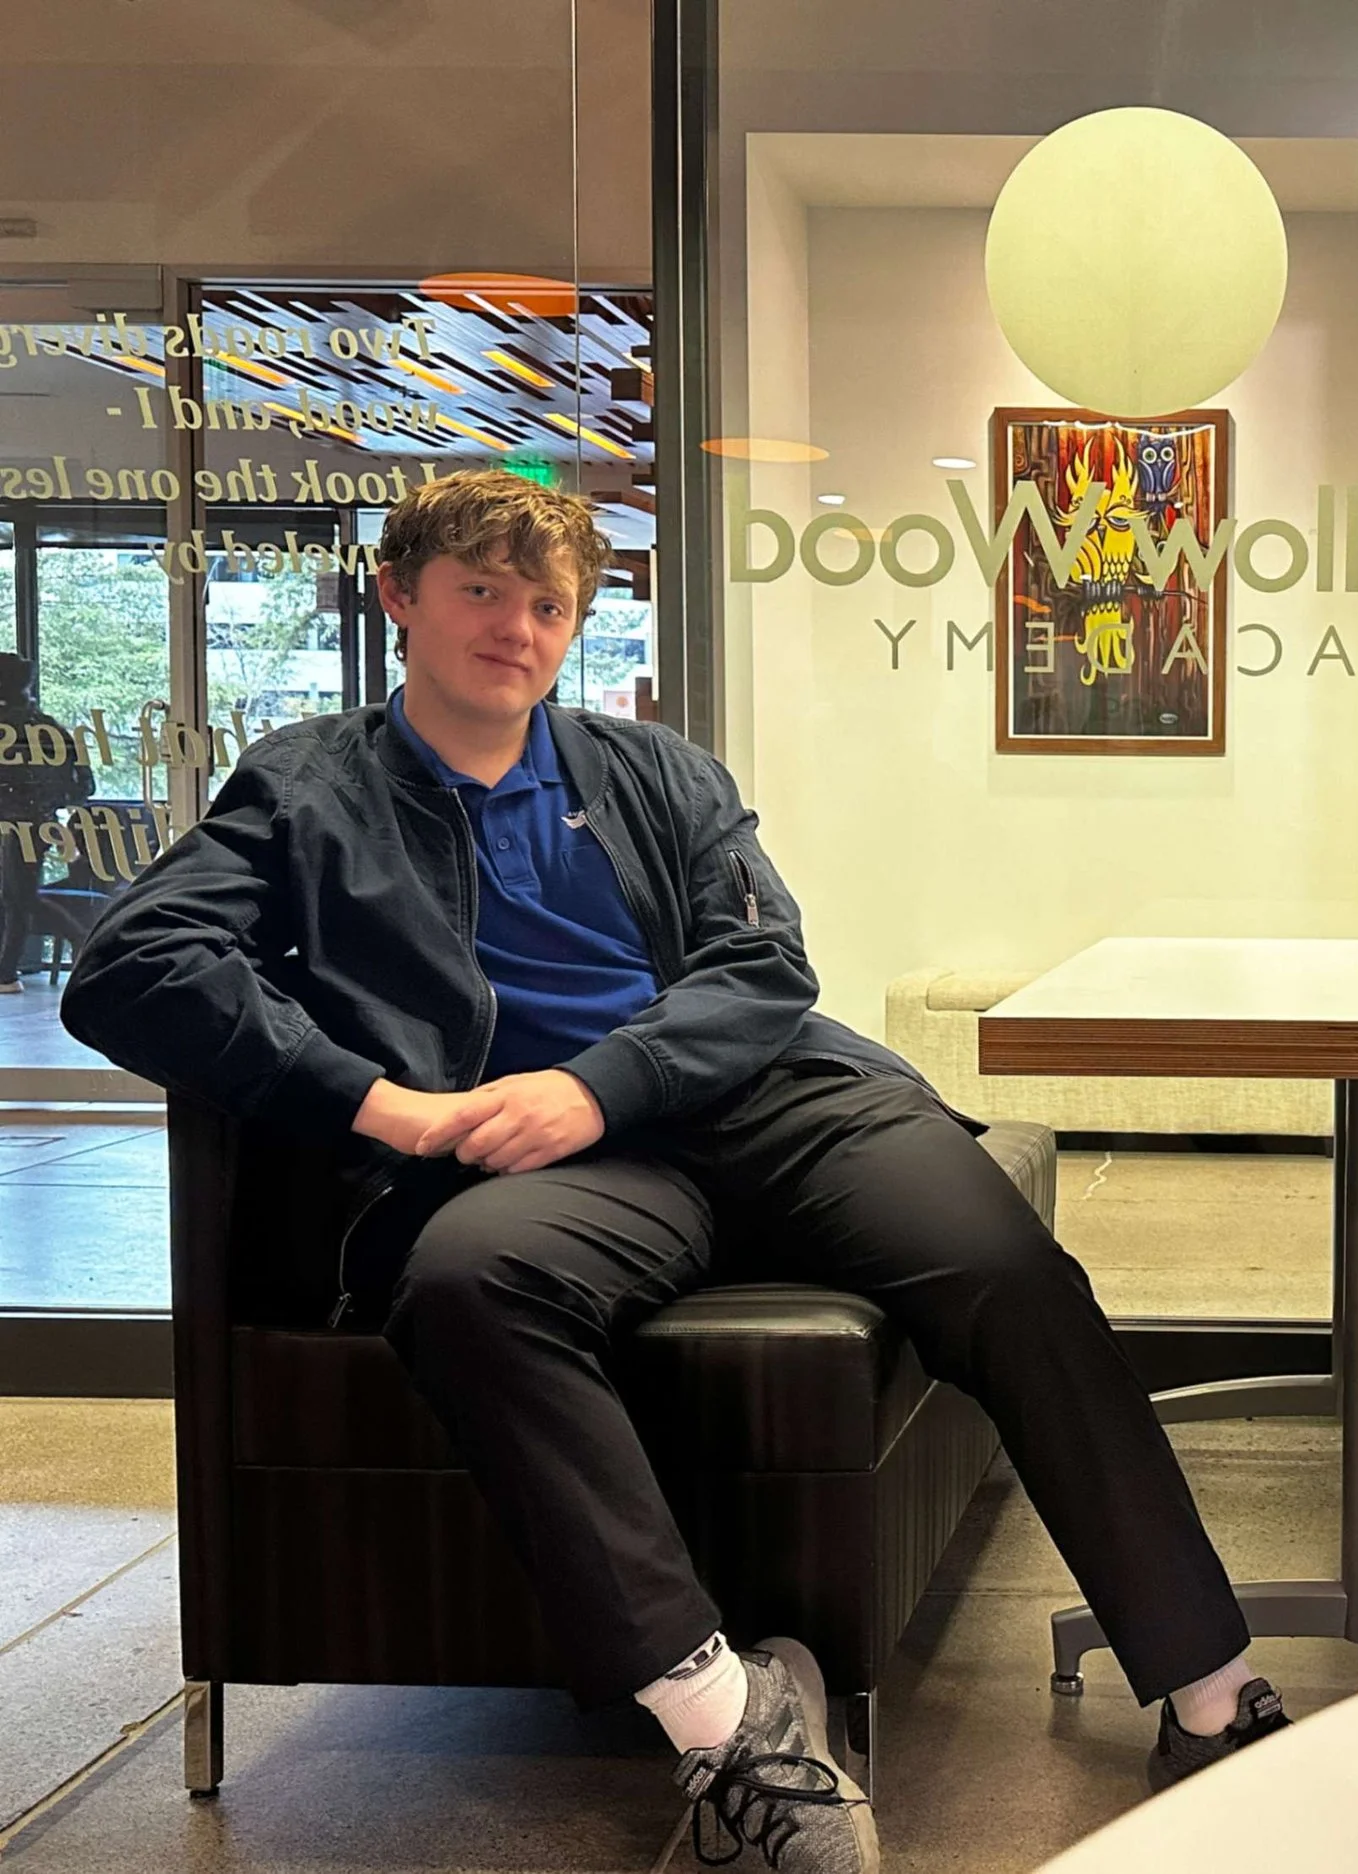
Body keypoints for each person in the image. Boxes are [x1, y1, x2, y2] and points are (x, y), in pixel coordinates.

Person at [63, 471, 1287, 1870]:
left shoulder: (655, 770)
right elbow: (134, 963)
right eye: (481, 590)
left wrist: (597, 1083)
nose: (517, 629)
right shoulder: (308, 784)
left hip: (767, 1102)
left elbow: (764, 965)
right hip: (554, 1169)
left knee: (1009, 1266)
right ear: (399, 596)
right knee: (463, 1280)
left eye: (548, 605)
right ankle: (729, 1719)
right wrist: (382, 1106)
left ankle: (1211, 1689)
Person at [0, 651, 95, 994]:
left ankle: (9, 971)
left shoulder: (16, 728)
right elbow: (83, 784)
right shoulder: (48, 726)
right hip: (36, 822)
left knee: (18, 896)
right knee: (18, 896)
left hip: (20, 822)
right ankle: (7, 971)